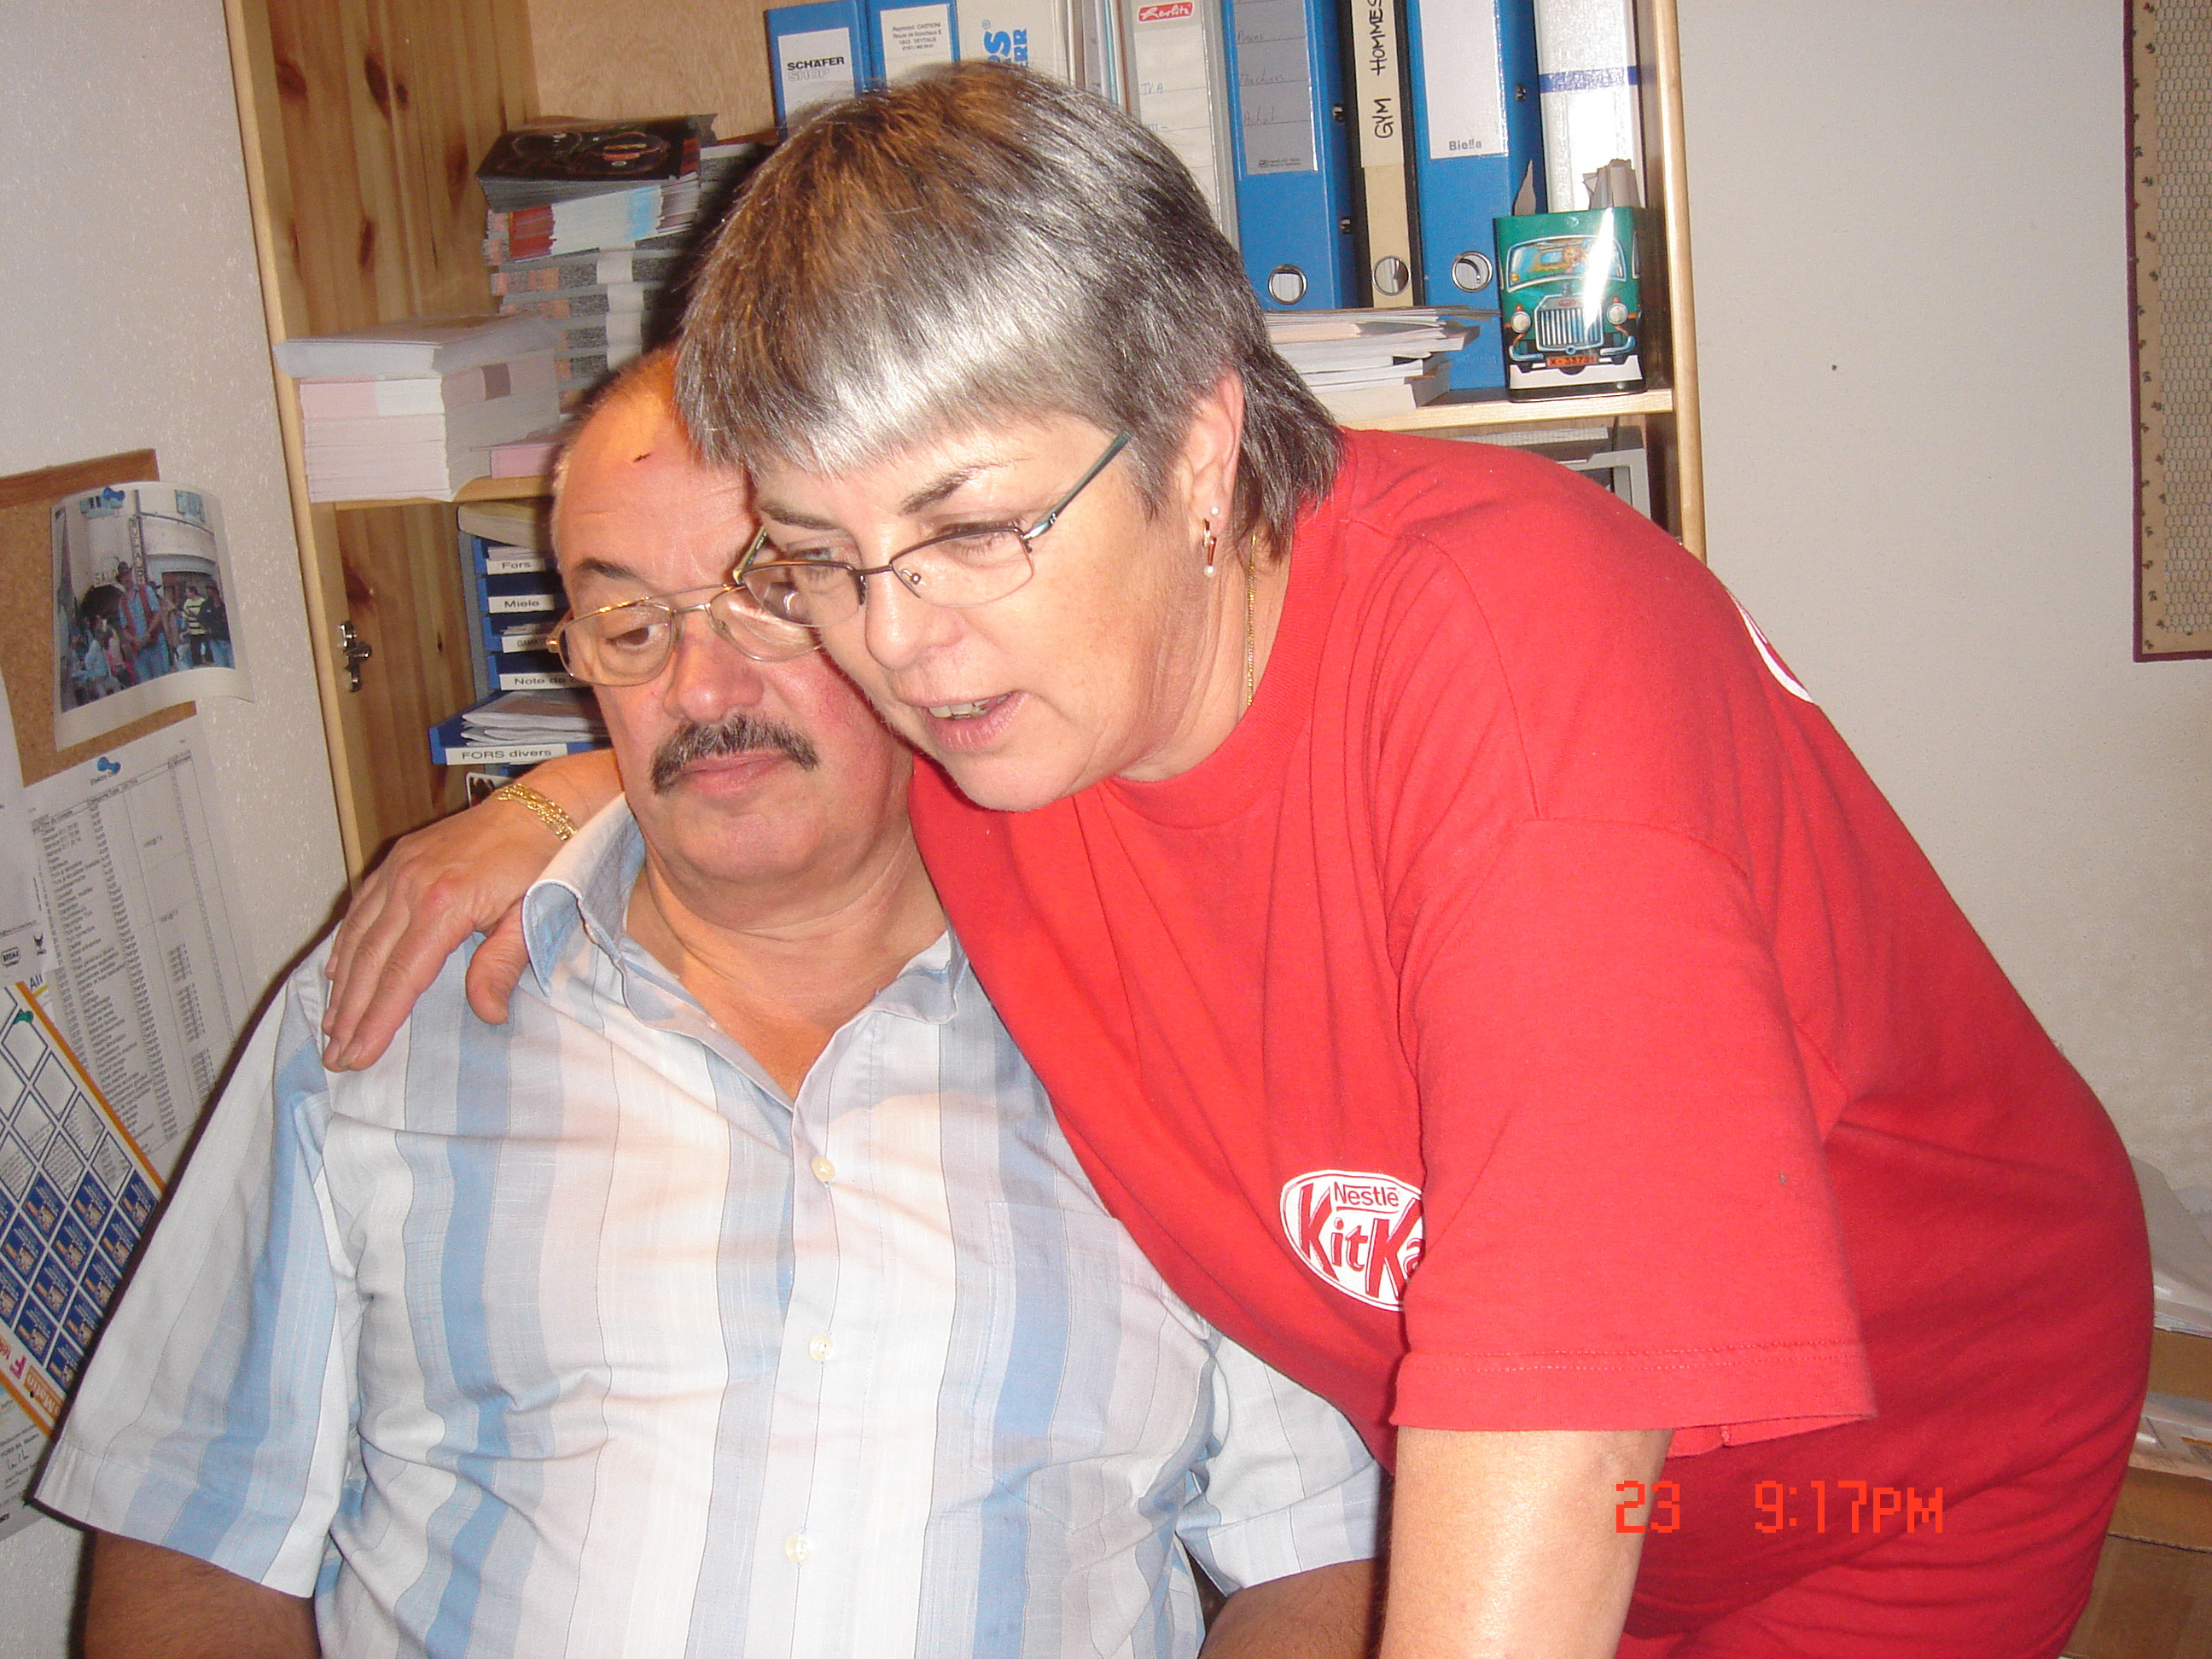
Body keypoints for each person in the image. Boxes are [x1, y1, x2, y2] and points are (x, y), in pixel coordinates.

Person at [317, 66, 2151, 1659]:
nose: (901, 642)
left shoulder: (1514, 676)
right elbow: (748, 718)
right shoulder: (1019, 693)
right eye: (819, 555)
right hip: (1510, 1494)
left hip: (1882, 1497)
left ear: (1199, 447)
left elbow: (1563, 1419)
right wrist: (558, 799)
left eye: (971, 526)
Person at [37, 354, 1383, 1659]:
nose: (699, 689)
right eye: (631, 626)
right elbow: (189, 1541)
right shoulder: (384, 1015)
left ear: (902, 609)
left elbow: (1323, 1556)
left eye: (769, 597)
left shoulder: (1167, 1027)